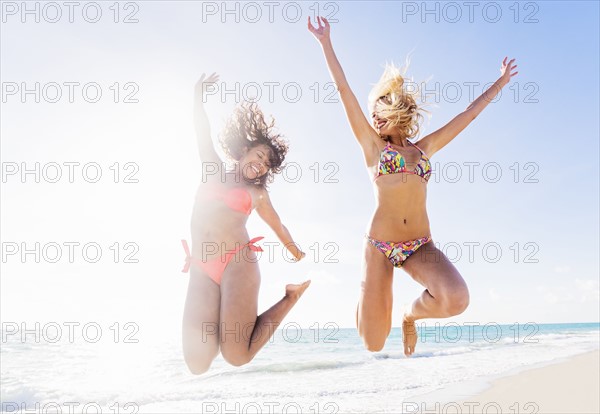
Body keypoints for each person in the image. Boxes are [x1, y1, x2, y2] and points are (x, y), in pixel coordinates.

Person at [308, 17, 517, 356]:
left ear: (397, 110)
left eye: (379, 111)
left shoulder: (424, 148)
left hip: (419, 245)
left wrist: (502, 82)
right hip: (379, 245)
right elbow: (343, 90)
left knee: (457, 298)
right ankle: (364, 295)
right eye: (372, 113)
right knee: (373, 342)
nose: (374, 118)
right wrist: (325, 43)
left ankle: (409, 315)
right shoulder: (374, 147)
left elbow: (468, 115)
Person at [181, 72, 311, 374]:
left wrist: (294, 251)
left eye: (267, 164)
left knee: (237, 356)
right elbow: (202, 133)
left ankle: (291, 297)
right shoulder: (212, 169)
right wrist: (197, 97)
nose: (261, 165)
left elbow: (278, 226)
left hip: (237, 264)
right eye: (259, 156)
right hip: (202, 266)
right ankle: (220, 324)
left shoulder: (258, 194)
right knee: (197, 363)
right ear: (244, 152)